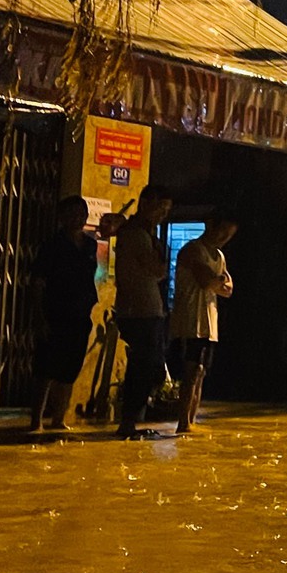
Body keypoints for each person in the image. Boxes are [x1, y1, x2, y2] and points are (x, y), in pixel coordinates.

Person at [29, 195, 98, 432]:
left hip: (79, 315)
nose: (77, 219)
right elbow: (38, 282)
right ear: (61, 218)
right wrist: (40, 317)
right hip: (55, 312)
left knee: (69, 369)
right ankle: (36, 420)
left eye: (81, 214)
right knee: (46, 369)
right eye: (71, 214)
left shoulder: (89, 246)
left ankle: (59, 418)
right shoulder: (52, 246)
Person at [112, 183, 173, 439]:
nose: (163, 214)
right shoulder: (136, 234)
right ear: (146, 203)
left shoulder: (141, 233)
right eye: (161, 207)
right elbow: (158, 270)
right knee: (142, 368)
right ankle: (128, 422)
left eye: (167, 210)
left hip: (144, 309)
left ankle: (131, 421)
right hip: (141, 311)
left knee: (144, 367)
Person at [170, 210, 237, 436]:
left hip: (210, 322)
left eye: (228, 235)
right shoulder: (192, 250)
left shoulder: (219, 255)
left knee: (200, 373)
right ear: (210, 225)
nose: (223, 238)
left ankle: (191, 420)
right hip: (191, 319)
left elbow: (228, 289)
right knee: (191, 372)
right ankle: (183, 422)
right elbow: (208, 281)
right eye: (221, 232)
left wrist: (217, 282)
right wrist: (218, 282)